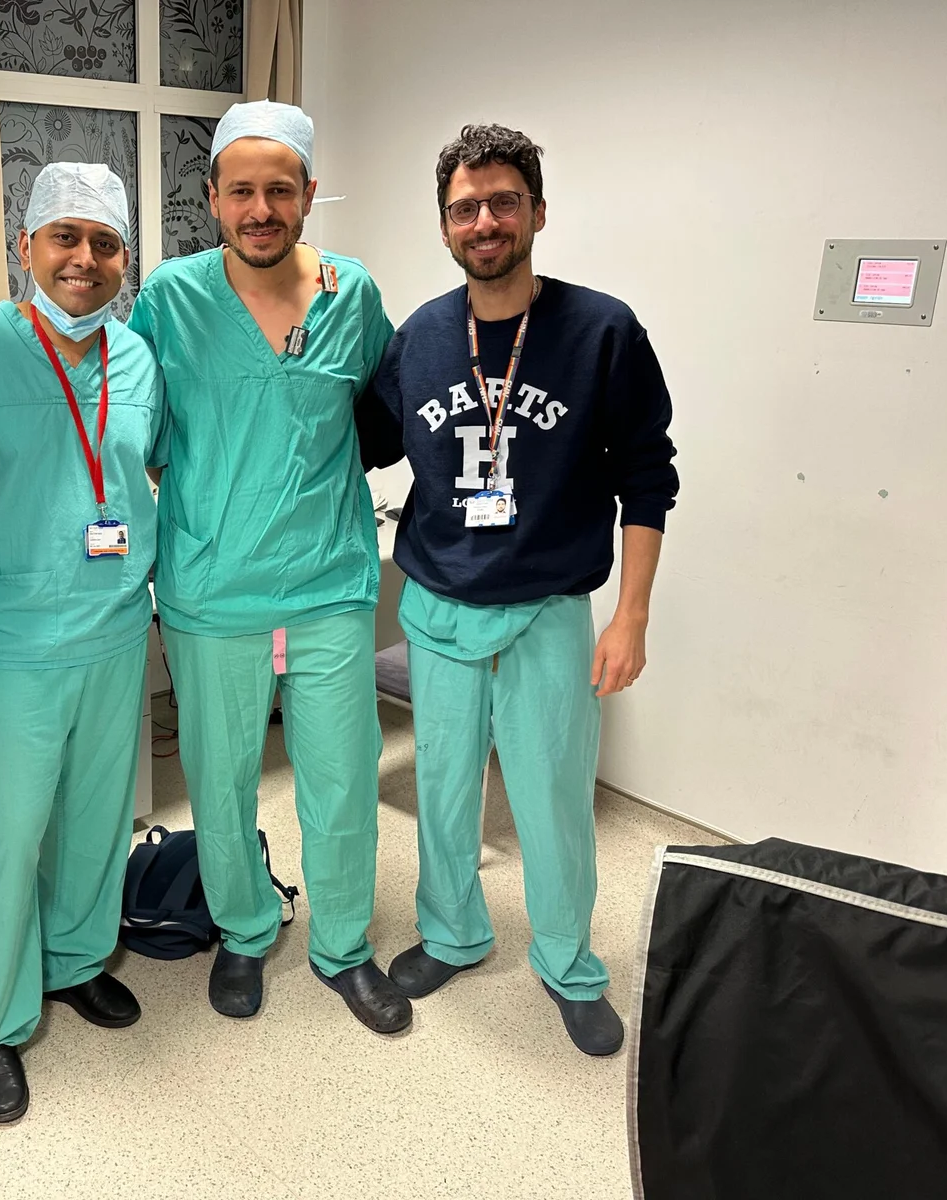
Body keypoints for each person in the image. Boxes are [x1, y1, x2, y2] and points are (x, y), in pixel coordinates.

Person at [357, 123, 679, 1056]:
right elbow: (358, 441)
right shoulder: (420, 337)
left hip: (546, 610)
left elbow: (649, 477)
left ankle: (569, 961)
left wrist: (632, 616)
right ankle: (453, 934)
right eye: (465, 209)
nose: (485, 222)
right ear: (444, 226)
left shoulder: (602, 332)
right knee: (444, 792)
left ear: (538, 211)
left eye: (503, 202)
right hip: (438, 606)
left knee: (552, 799)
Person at [127, 101, 411, 1034]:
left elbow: (382, 412)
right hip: (212, 585)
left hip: (328, 580)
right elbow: (135, 423)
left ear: (308, 195)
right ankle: (245, 928)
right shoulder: (171, 298)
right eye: (241, 191)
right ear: (211, 196)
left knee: (342, 774)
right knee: (219, 779)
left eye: (279, 191)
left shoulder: (350, 295)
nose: (260, 209)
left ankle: (344, 944)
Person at [0, 162, 164, 1123]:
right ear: (25, 246)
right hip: (9, 638)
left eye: (105, 243)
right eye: (64, 237)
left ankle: (74, 960)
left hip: (115, 626)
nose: (84, 259)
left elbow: (147, 470)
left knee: (99, 816)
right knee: (12, 828)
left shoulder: (138, 359)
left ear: (124, 261)